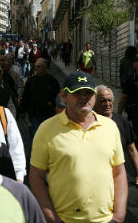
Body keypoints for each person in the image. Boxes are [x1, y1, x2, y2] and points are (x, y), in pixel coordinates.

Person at [30, 70, 128, 223]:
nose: (84, 98)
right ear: (63, 96)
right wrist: (51, 217)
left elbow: (119, 173)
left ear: (94, 96)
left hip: (107, 220)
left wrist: (119, 215)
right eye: (77, 93)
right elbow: (36, 176)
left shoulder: (110, 127)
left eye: (88, 93)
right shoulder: (46, 129)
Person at [94, 85, 138, 184]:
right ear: (94, 102)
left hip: (120, 176)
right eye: (103, 101)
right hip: (98, 179)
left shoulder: (122, 121)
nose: (107, 104)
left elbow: (131, 149)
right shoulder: (89, 123)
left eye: (109, 100)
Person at [19, 58, 60, 140]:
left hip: (47, 114)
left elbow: (58, 97)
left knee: (47, 137)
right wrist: (22, 110)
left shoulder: (52, 81)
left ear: (45, 67)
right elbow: (25, 96)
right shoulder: (30, 80)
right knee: (35, 136)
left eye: (39, 67)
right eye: (35, 66)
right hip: (34, 115)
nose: (36, 68)